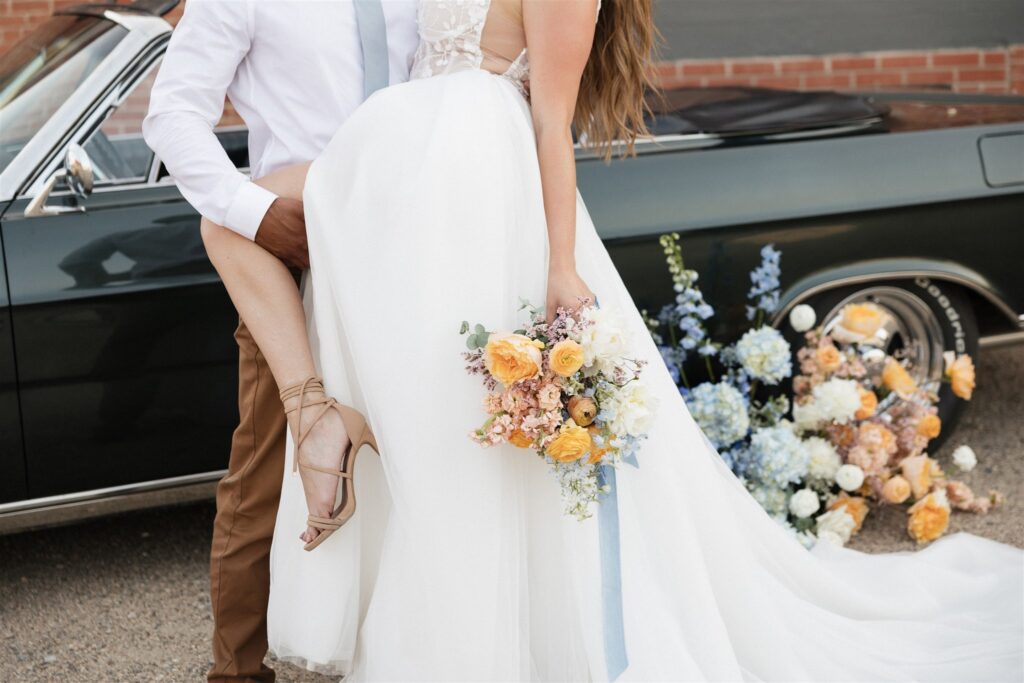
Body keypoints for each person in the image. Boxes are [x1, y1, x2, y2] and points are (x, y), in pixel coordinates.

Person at [163, 0, 1023, 680]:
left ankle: (476, 645)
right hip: (380, 202)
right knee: (248, 275)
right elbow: (190, 118)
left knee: (457, 433)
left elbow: (550, 123)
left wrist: (562, 265)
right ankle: (268, 627)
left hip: (458, 197)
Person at [142, 0, 419, 680]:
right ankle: (236, 671)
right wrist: (256, 215)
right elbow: (171, 114)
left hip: (416, 252)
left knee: (420, 465)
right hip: (294, 262)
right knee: (267, 475)